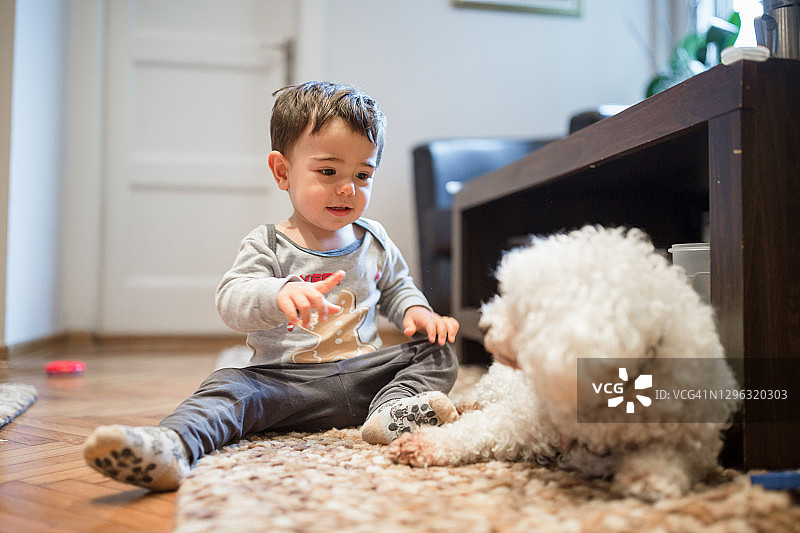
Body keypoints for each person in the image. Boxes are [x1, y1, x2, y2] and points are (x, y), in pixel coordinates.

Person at [83, 81, 461, 491]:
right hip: (284, 385)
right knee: (228, 386)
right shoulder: (267, 243)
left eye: (363, 174)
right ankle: (172, 446)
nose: (348, 188)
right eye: (329, 171)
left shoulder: (374, 239)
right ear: (283, 171)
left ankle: (391, 411)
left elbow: (396, 286)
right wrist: (277, 294)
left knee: (437, 351)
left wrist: (417, 312)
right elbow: (231, 299)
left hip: (363, 377)